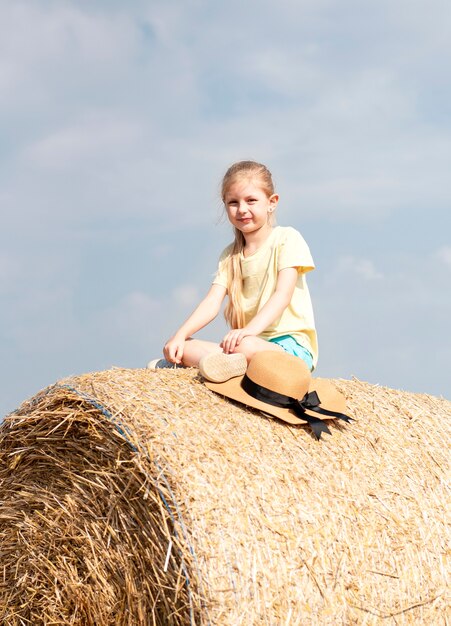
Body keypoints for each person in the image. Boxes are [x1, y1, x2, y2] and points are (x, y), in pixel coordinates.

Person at [147, 160, 318, 384]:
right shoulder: (230, 255)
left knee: (244, 345)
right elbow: (211, 303)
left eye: (251, 200)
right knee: (187, 347)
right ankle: (227, 364)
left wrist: (248, 331)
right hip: (244, 344)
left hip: (291, 351)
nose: (242, 209)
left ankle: (227, 363)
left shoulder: (287, 238)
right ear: (225, 205)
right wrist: (179, 336)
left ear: (272, 202)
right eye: (233, 202)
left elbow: (282, 295)